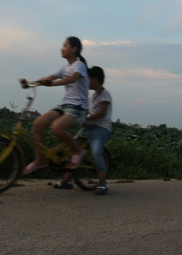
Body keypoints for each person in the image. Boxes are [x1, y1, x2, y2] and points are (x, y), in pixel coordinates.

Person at [20, 36, 89, 174]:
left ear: (74, 49)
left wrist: (54, 84)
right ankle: (40, 161)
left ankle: (78, 151)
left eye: (65, 46)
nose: (62, 49)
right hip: (65, 106)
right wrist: (30, 84)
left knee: (57, 128)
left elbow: (72, 78)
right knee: (38, 124)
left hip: (79, 108)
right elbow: (49, 78)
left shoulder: (80, 65)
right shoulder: (64, 68)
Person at [53, 66, 113, 195]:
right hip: (89, 127)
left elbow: (102, 112)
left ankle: (102, 182)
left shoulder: (105, 94)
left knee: (96, 152)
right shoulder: (91, 97)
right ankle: (67, 180)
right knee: (72, 148)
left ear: (95, 79)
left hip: (101, 128)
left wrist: (88, 118)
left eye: (88, 79)